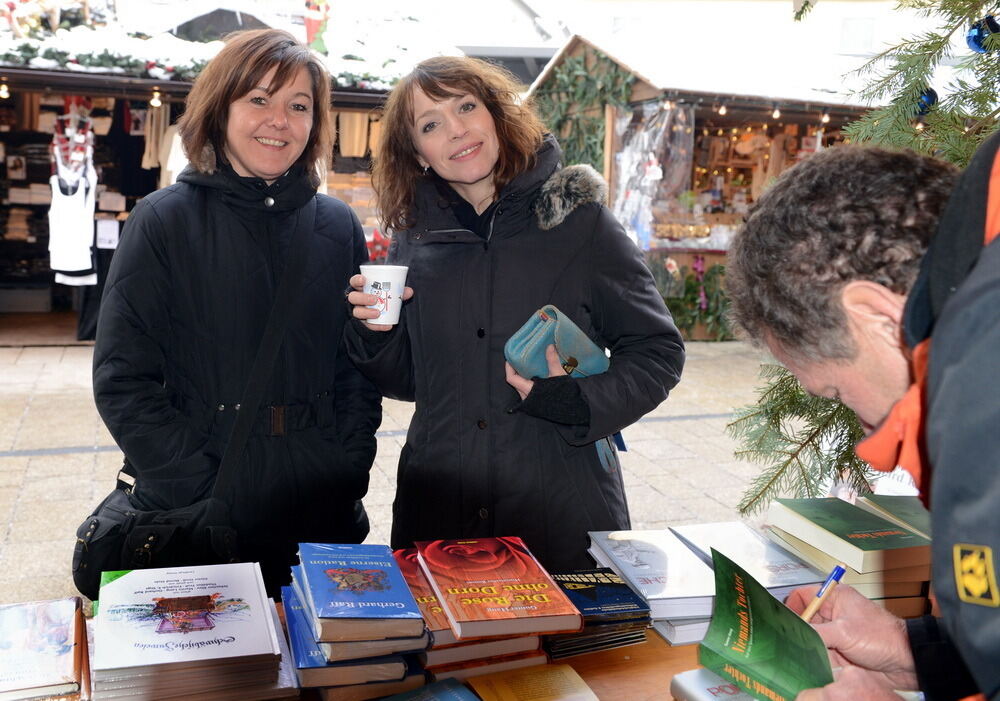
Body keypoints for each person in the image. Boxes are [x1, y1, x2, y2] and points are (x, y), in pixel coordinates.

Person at [345, 56, 684, 572]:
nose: (456, 130)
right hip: (439, 507)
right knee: (455, 655)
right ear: (416, 153)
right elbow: (415, 381)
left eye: (466, 106)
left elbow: (658, 351)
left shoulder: (578, 222)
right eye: (431, 124)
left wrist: (574, 400)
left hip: (558, 508)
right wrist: (374, 334)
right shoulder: (413, 238)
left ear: (497, 113)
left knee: (566, 654)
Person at [91, 29, 381, 596]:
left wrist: (349, 460)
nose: (279, 119)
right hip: (207, 497)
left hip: (320, 496)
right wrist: (190, 480)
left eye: (299, 106)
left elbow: (355, 363)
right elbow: (122, 379)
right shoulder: (164, 219)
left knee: (329, 669)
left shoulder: (335, 225)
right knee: (220, 673)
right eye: (258, 99)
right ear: (220, 108)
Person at [727, 139, 1000, 699]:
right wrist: (916, 653)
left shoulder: (983, 403)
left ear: (877, 317)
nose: (871, 438)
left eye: (838, 392)